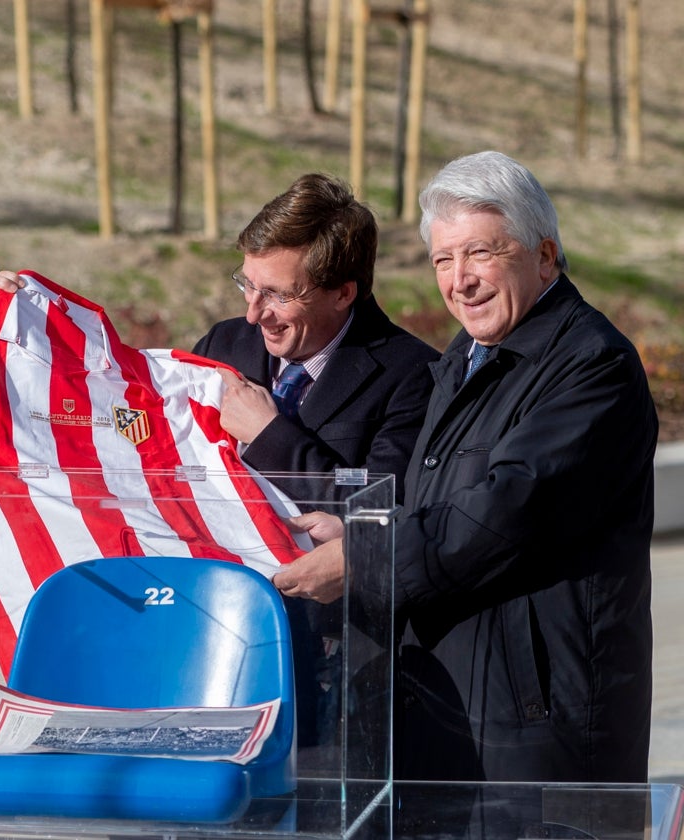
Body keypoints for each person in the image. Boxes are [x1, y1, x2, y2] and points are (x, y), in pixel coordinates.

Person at [273, 151, 656, 783]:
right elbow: (440, 502)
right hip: (452, 706)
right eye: (443, 261)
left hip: (537, 729)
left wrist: (365, 559)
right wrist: (362, 533)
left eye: (480, 253)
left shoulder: (594, 367)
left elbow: (503, 514)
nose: (460, 281)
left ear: (544, 255)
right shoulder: (471, 353)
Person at [192, 173, 439, 750]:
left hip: (335, 665)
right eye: (247, 286)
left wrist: (272, 435)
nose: (256, 315)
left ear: (343, 292)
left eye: (279, 294)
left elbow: (376, 514)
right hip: (215, 637)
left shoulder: (413, 376)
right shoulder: (224, 345)